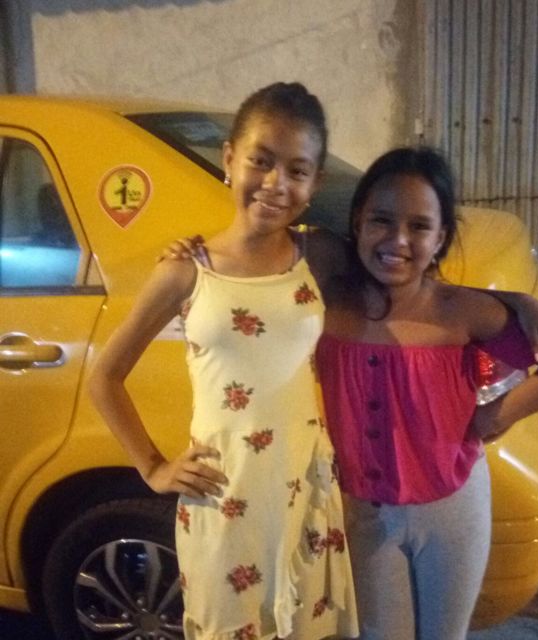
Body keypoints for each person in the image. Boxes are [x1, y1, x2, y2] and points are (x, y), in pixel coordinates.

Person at [89, 82, 359, 640]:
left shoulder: (321, 255)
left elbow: (407, 280)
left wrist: (515, 307)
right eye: (261, 161)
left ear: (315, 184)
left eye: (297, 170)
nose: (276, 183)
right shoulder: (185, 271)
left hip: (302, 490)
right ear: (229, 160)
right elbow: (105, 377)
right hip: (222, 497)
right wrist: (153, 467)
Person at [313, 146, 538, 640]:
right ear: (357, 221)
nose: (398, 240)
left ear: (441, 237)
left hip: (451, 509)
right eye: (381, 220)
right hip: (364, 514)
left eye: (419, 227)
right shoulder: (328, 302)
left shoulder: (460, 311)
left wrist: (497, 415)